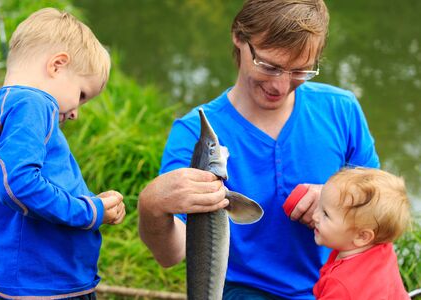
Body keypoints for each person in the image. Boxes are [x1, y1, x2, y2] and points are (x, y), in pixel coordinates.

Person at [138, 0, 379, 299]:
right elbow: (170, 254)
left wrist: (340, 198)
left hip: (338, 283)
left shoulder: (341, 109)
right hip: (246, 290)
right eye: (269, 66)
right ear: (239, 38)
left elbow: (382, 207)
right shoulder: (196, 133)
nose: (280, 85)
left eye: (300, 70)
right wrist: (151, 206)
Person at [0, 8, 125, 299]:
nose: (75, 114)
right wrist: (90, 211)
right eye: (82, 95)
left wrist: (91, 202)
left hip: (32, 281)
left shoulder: (10, 104)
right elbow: (18, 184)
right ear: (57, 65)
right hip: (40, 285)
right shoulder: (34, 104)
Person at [312, 167, 411, 299]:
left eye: (326, 214)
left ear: (362, 236)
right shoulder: (383, 248)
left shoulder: (340, 287)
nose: (315, 216)